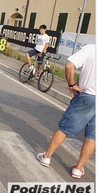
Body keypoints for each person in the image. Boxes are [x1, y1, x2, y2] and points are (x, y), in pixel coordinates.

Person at [36, 44, 95, 179]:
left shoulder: (91, 48)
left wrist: (72, 85)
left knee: (65, 128)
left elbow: (69, 66)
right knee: (93, 136)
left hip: (87, 96)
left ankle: (47, 157)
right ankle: (78, 169)